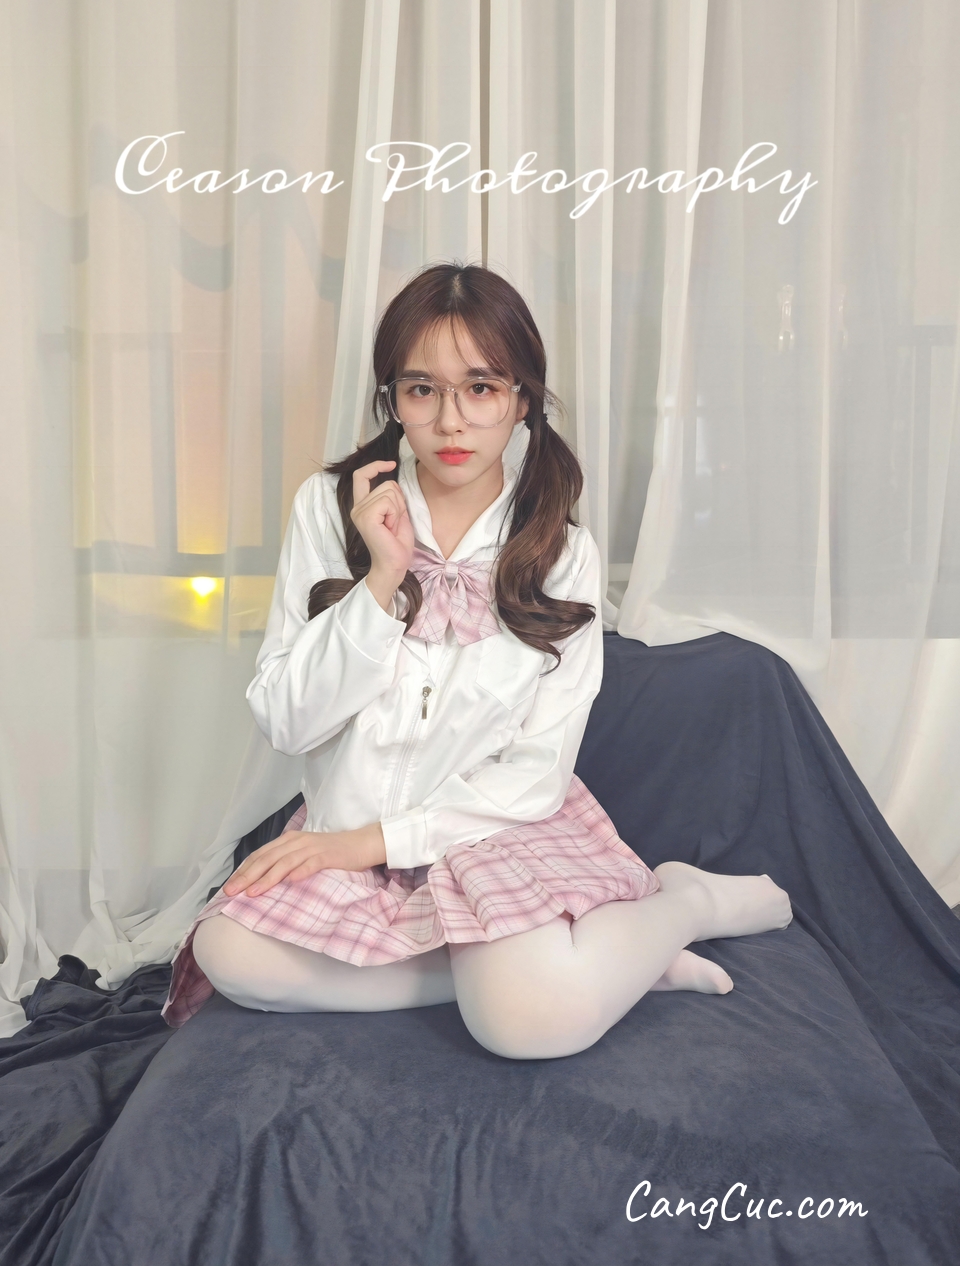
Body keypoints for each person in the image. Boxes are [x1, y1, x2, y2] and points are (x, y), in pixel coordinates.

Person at [160, 261, 792, 1058]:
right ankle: (599, 964)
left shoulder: (562, 551)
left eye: (481, 388)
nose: (451, 421)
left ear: (521, 399)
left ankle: (684, 904)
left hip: (492, 833)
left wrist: (374, 842)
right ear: (393, 399)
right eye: (422, 390)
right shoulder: (329, 509)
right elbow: (288, 721)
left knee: (527, 1029)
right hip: (347, 833)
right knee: (229, 953)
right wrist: (382, 580)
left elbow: (537, 770)